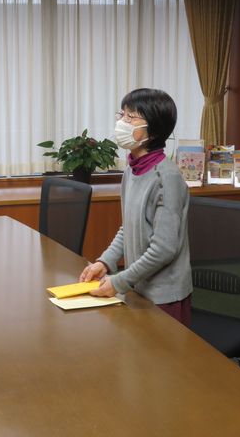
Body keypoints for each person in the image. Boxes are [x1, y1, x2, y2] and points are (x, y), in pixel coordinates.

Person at [80, 88, 193, 326]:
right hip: (139, 287)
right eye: (122, 115)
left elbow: (163, 249)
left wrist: (119, 281)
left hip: (164, 295)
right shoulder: (132, 169)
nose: (122, 122)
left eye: (131, 117)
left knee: (163, 362)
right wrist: (104, 262)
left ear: (153, 128)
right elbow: (130, 227)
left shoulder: (167, 178)